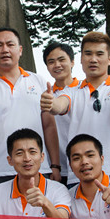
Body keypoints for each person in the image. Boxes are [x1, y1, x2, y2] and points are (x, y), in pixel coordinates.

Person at [0, 28, 60, 189]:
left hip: (37, 168)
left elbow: (49, 125)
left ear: (20, 50)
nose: (5, 50)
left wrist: (55, 165)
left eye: (10, 44)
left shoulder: (38, 81)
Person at [41, 31, 110, 185]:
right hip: (80, 176)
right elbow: (60, 104)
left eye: (99, 54)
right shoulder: (71, 92)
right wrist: (51, 104)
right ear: (81, 59)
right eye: (88, 54)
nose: (93, 59)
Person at [0, 128, 71, 218]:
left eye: (32, 152)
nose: (27, 158)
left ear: (42, 157)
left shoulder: (58, 190)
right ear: (10, 160)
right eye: (19, 153)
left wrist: (46, 204)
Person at [43, 41, 79, 183]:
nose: (57, 65)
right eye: (51, 62)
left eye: (61, 59)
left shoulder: (85, 89)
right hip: (58, 168)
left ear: (72, 62)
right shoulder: (46, 95)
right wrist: (55, 165)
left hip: (86, 165)